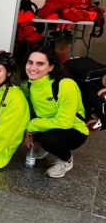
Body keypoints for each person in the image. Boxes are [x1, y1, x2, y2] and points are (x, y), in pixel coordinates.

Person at [23, 47, 88, 178]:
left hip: (74, 129)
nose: (32, 67)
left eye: (40, 64)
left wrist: (31, 126)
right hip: (47, 124)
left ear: (51, 67)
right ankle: (43, 145)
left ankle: (66, 160)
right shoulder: (28, 85)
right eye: (30, 62)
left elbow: (65, 122)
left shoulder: (65, 85)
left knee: (49, 140)